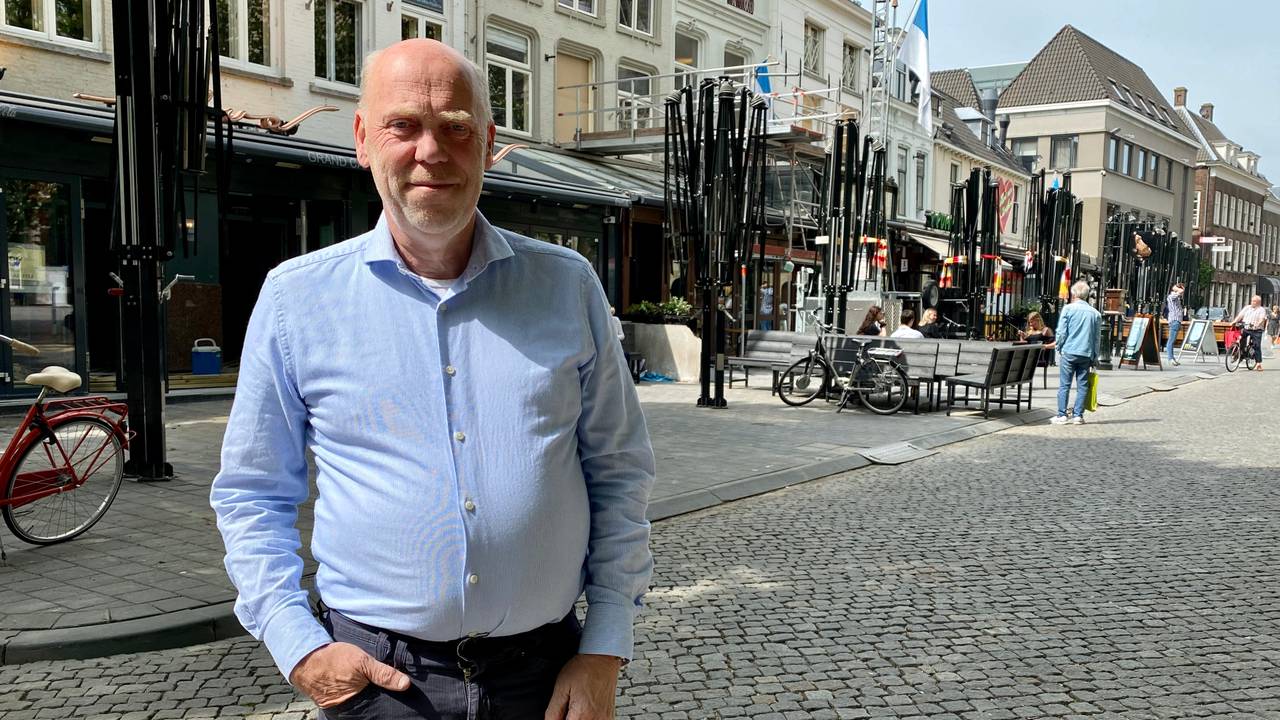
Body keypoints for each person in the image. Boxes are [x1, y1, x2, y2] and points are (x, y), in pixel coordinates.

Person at [210, 40, 655, 720]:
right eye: (404, 126)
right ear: (363, 139)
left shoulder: (567, 287)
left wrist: (605, 647)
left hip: (545, 682)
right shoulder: (297, 300)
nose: (431, 151)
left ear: (488, 143)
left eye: (456, 127)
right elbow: (251, 493)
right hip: (382, 686)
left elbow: (620, 471)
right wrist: (297, 643)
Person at [1052, 281, 1101, 425]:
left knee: (1064, 385)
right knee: (1083, 385)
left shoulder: (1068, 309)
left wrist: (1059, 347)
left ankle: (1062, 414)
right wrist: (1095, 356)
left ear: (1074, 293)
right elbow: (1097, 338)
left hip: (1069, 350)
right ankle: (1078, 415)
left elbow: (1061, 332)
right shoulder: (1095, 313)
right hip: (1085, 353)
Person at [1231, 294, 1268, 371]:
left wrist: (1257, 324)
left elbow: (1262, 319)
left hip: (1256, 330)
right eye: (1252, 301)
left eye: (1254, 301)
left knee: (1256, 346)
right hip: (1246, 328)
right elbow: (1240, 316)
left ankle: (1258, 363)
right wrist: (1234, 322)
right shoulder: (1247, 308)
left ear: (1258, 302)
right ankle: (1239, 354)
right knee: (1240, 340)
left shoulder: (1261, 310)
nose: (1252, 302)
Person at [1164, 283, 1186, 365]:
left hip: (1176, 321)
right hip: (1175, 320)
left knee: (1172, 341)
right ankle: (1170, 358)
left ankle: (1172, 358)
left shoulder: (1176, 297)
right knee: (1171, 340)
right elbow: (1179, 292)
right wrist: (1178, 289)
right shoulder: (1172, 296)